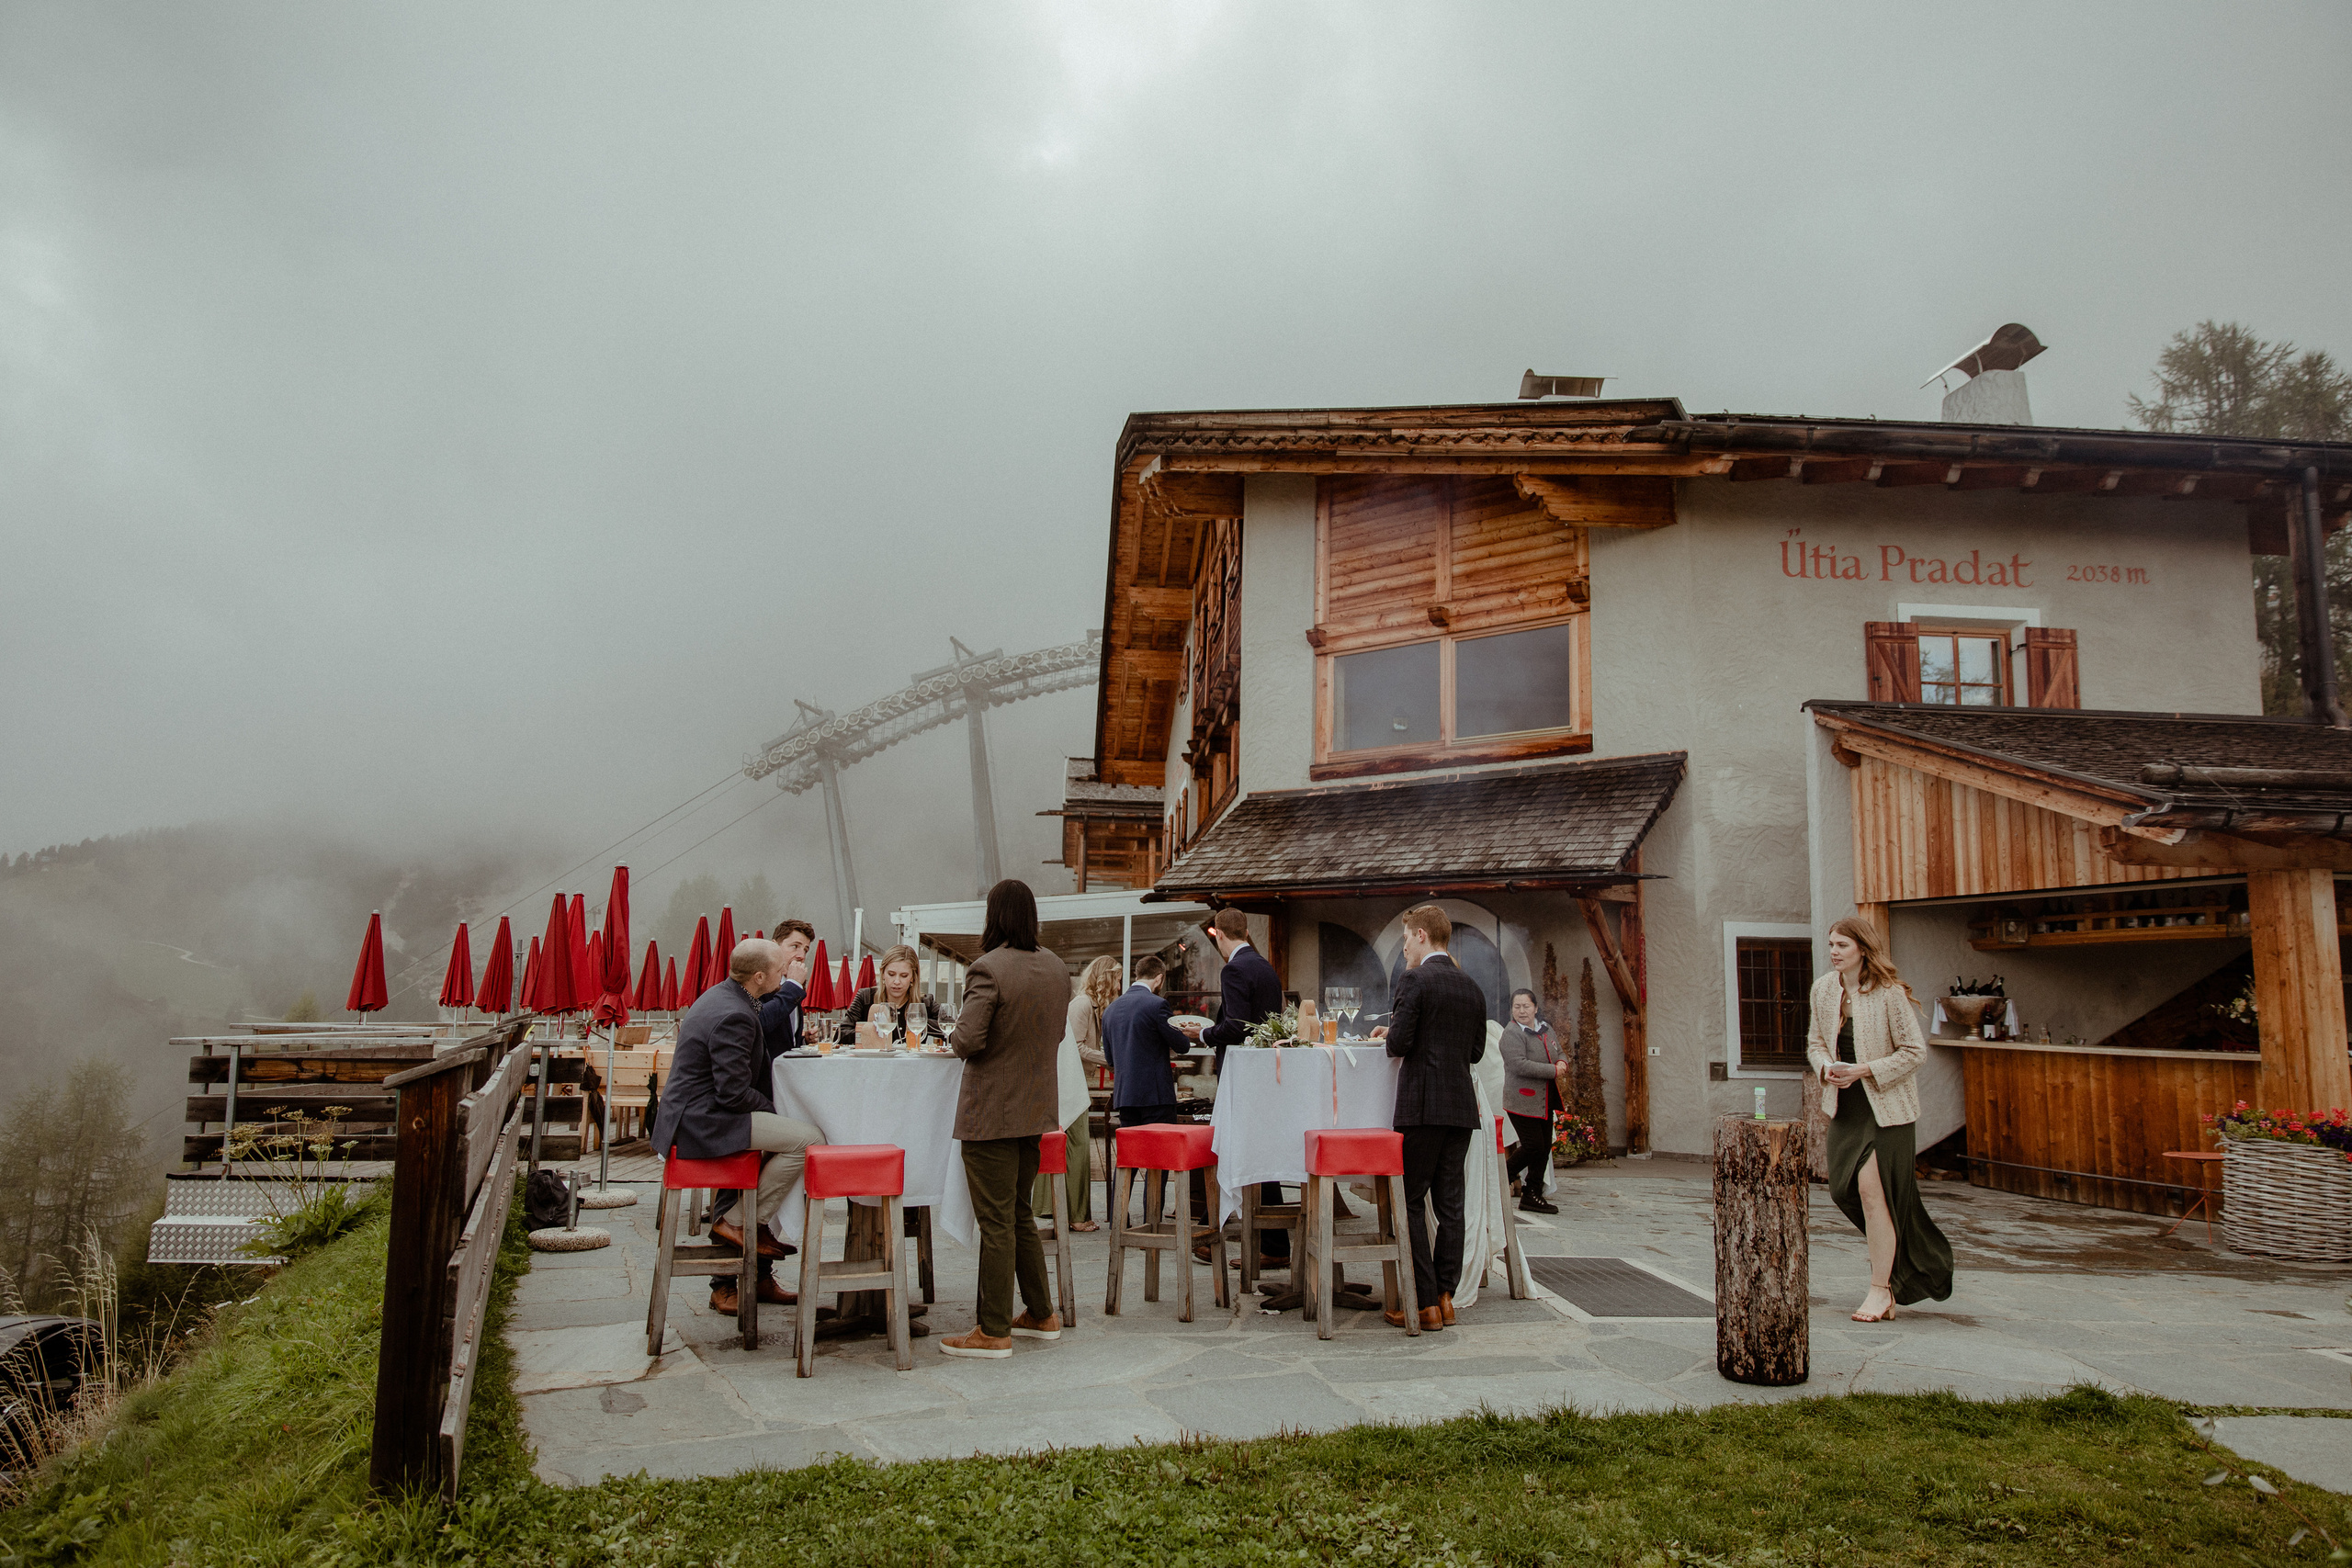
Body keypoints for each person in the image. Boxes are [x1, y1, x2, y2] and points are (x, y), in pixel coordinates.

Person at [649, 937, 822, 1316]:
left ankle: (755, 1264)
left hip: (695, 1114)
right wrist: (775, 1112)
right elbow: (732, 1094)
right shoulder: (735, 1014)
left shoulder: (723, 997)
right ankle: (740, 1222)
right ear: (760, 976)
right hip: (703, 1122)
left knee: (780, 1141)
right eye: (780, 969)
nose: (786, 972)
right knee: (808, 1139)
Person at [940, 879, 1071, 1359]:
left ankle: (993, 1329)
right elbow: (1056, 1034)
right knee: (1018, 1214)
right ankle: (1041, 1312)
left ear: (993, 916)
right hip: (1035, 1109)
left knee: (996, 1221)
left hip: (991, 1111)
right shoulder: (1057, 967)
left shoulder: (987, 968)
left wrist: (952, 1035)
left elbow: (968, 1040)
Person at [1807, 916, 1954, 1321]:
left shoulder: (1888, 994)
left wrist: (1863, 1070)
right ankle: (1918, 1258)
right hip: (1845, 1109)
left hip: (1886, 1111)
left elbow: (1914, 1052)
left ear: (1863, 949)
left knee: (1875, 1197)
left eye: (1842, 946)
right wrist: (1826, 1069)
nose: (1834, 952)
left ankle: (1880, 1290)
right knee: (1843, 1192)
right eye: (1832, 944)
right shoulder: (1823, 989)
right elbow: (1815, 1040)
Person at [1377, 904, 1487, 1331]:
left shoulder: (1415, 979)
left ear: (1421, 935)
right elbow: (1475, 1052)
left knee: (1409, 1200)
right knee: (1450, 1205)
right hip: (1460, 1108)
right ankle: (1445, 1296)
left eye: (1405, 938)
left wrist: (1394, 1032)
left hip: (1422, 1106)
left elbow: (1400, 1044)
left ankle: (1422, 1303)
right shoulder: (1472, 988)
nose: (1403, 947)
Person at [1193, 908, 1289, 1265]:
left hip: (1243, 1076)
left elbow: (1237, 1026)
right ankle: (1275, 1246)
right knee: (1258, 1153)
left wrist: (1202, 1033)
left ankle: (1207, 1232)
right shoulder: (1265, 967)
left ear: (1218, 934)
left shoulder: (1234, 968)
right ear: (1247, 931)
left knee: (1231, 1145)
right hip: (1266, 1073)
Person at [707, 918, 812, 1235]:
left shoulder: (784, 991)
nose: (800, 956)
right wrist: (793, 988)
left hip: (770, 1093)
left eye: (806, 950)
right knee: (745, 1175)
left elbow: (780, 1042)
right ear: (773, 948)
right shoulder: (757, 990)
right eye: (794, 947)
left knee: (775, 1168)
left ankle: (759, 1268)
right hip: (737, 1106)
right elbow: (760, 1024)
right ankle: (725, 1272)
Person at [1038, 955, 1116, 1233]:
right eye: (1116, 978)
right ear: (1105, 978)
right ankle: (1075, 1214)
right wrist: (1110, 1059)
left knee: (1070, 1145)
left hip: (1077, 1079)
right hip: (1071, 1081)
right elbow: (1076, 1048)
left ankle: (1059, 1209)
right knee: (1077, 1145)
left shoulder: (1090, 1005)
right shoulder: (1082, 1005)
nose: (1118, 985)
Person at [1498, 987, 1565, 1215]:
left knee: (1544, 1147)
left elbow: (1560, 1051)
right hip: (1522, 1099)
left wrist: (1563, 1062)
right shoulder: (1512, 1033)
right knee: (1534, 1145)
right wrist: (1553, 1070)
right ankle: (1502, 1176)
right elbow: (1519, 1064)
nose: (1521, 1011)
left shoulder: (1546, 1030)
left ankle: (1532, 1193)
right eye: (1517, 1007)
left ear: (1535, 1008)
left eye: (1526, 1006)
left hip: (1545, 1099)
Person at [836, 943, 944, 1045]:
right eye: (891, 974)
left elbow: (954, 1032)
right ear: (882, 973)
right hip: (873, 1063)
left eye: (904, 976)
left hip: (911, 1064)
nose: (897, 981)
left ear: (913, 977)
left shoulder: (925, 1002)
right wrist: (868, 1032)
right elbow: (840, 1035)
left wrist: (923, 1023)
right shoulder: (866, 997)